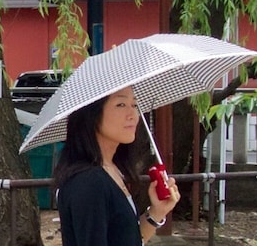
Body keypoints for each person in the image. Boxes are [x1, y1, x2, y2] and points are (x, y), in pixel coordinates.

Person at [52, 86, 179, 245]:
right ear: (92, 114)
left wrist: (157, 212)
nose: (133, 115)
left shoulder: (112, 170)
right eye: (121, 105)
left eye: (134, 105)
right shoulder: (89, 182)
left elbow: (129, 240)